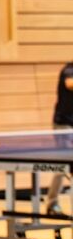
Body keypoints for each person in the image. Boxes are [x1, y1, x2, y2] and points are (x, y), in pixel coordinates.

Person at [47, 62, 73, 215]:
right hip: (63, 125)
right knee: (64, 164)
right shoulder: (69, 69)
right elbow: (69, 83)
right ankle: (52, 203)